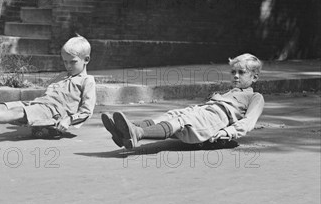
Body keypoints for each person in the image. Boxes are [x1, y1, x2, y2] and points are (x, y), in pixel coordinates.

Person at [102, 53, 265, 149]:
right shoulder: (230, 91)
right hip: (202, 111)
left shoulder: (255, 97)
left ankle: (138, 134)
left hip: (216, 118)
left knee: (181, 121)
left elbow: (249, 121)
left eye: (241, 72)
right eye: (233, 72)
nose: (236, 76)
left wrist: (228, 133)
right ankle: (125, 130)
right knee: (171, 115)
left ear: (254, 77)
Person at [0, 35, 96, 132]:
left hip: (54, 112)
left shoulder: (87, 81)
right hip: (38, 104)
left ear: (86, 60)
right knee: (4, 106)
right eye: (65, 62)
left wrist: (68, 120)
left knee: (17, 112)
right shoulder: (62, 75)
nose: (67, 66)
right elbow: (47, 94)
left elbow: (87, 111)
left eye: (72, 62)